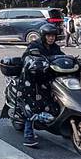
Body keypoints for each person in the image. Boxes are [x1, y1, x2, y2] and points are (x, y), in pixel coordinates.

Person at [16, 21, 64, 149]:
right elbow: (26, 58)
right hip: (31, 80)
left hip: (47, 79)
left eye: (53, 36)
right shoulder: (34, 45)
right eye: (48, 36)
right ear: (43, 36)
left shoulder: (55, 47)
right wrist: (35, 62)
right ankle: (28, 135)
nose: (51, 38)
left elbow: (61, 57)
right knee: (32, 106)